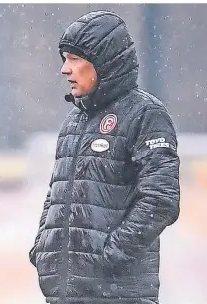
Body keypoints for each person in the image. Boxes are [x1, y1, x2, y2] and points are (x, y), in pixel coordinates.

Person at [29, 10, 180, 304]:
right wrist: (43, 249)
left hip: (118, 295)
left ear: (104, 61)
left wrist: (109, 257)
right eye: (64, 58)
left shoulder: (146, 115)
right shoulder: (73, 121)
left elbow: (161, 200)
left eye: (74, 59)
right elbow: (56, 193)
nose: (65, 69)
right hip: (63, 295)